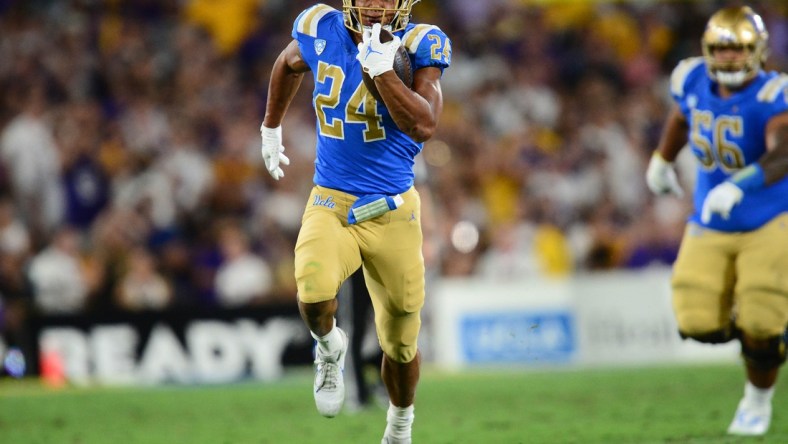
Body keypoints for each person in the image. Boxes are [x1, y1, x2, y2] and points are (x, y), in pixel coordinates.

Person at [260, 1, 451, 442]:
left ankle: (400, 425)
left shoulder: (421, 43)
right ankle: (329, 348)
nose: (374, 5)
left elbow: (425, 124)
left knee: (400, 342)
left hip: (393, 211)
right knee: (311, 290)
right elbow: (288, 63)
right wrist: (271, 127)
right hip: (332, 201)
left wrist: (383, 72)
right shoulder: (320, 26)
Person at [646, 6, 788, 437]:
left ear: (758, 51)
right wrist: (662, 160)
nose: (728, 58)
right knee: (697, 321)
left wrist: (740, 184)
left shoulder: (773, 94)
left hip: (769, 218)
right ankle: (766, 341)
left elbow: (782, 151)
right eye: (721, 49)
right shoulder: (690, 79)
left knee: (762, 318)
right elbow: (680, 116)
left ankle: (757, 399)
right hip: (711, 220)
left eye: (738, 49)